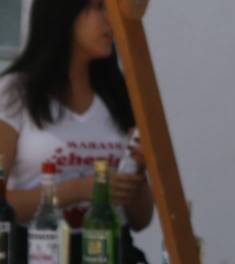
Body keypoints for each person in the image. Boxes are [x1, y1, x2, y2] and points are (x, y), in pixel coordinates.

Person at [0, 0, 152, 231]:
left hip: (110, 249)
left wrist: (137, 174)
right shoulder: (16, 91)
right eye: (99, 7)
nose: (112, 20)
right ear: (64, 13)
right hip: (38, 249)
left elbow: (140, 220)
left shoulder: (119, 93)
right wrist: (77, 190)